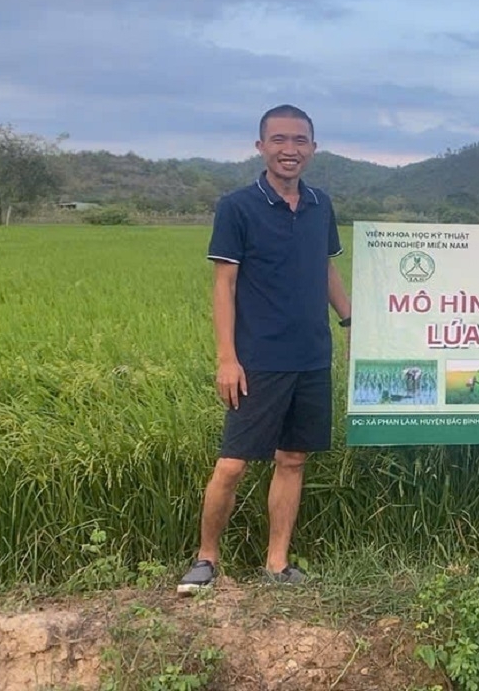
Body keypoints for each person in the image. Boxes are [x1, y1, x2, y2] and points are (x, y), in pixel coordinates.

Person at [178, 104, 351, 593]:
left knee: (293, 460)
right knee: (232, 464)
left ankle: (276, 563)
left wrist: (349, 317)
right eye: (279, 140)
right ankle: (206, 558)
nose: (289, 150)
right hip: (257, 361)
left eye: (299, 141)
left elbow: (325, 269)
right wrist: (227, 358)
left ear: (313, 149)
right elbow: (223, 286)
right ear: (261, 147)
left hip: (312, 357)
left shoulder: (320, 204)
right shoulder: (237, 207)